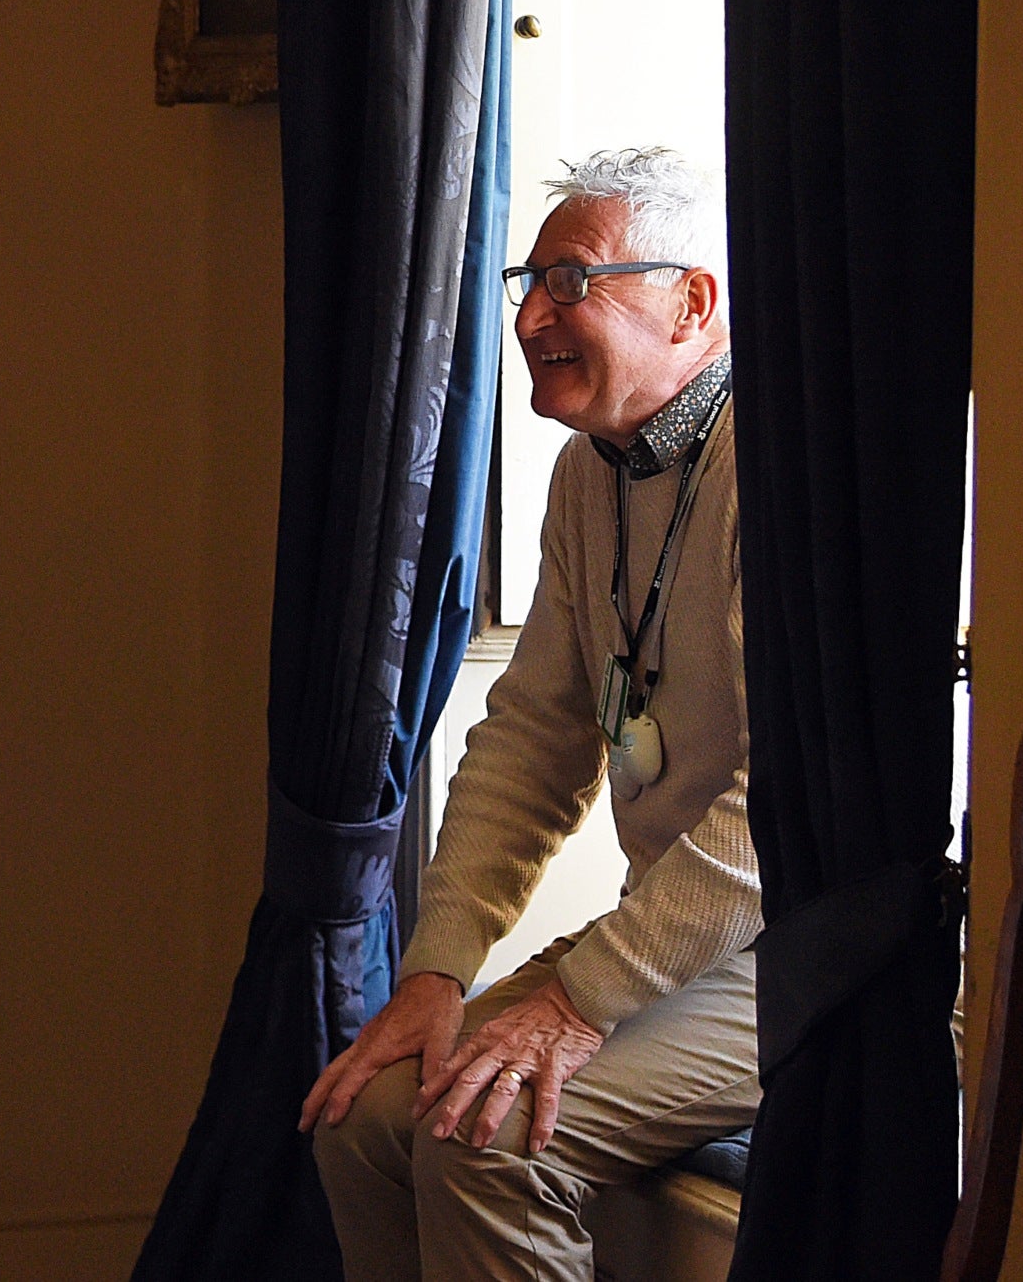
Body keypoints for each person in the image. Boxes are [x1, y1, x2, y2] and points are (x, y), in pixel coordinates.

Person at [301, 148, 759, 1281]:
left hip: (789, 950)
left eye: (576, 281)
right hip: (677, 933)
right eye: (530, 283)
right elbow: (532, 746)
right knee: (361, 1115)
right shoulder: (588, 474)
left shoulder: (771, 465)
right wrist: (437, 974)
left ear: (693, 300)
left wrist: (580, 999)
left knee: (488, 1137)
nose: (535, 316)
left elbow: (783, 816)